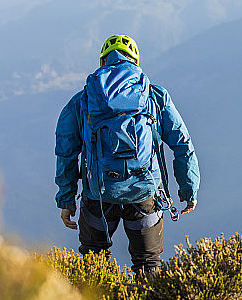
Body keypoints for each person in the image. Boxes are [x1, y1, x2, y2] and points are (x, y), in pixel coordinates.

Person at [55, 34, 200, 274]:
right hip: (145, 193)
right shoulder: (155, 96)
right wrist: (188, 188)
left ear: (103, 62)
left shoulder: (82, 101)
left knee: (93, 263)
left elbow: (66, 152)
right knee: (148, 264)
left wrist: (66, 199)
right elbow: (182, 144)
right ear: (135, 61)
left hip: (98, 196)